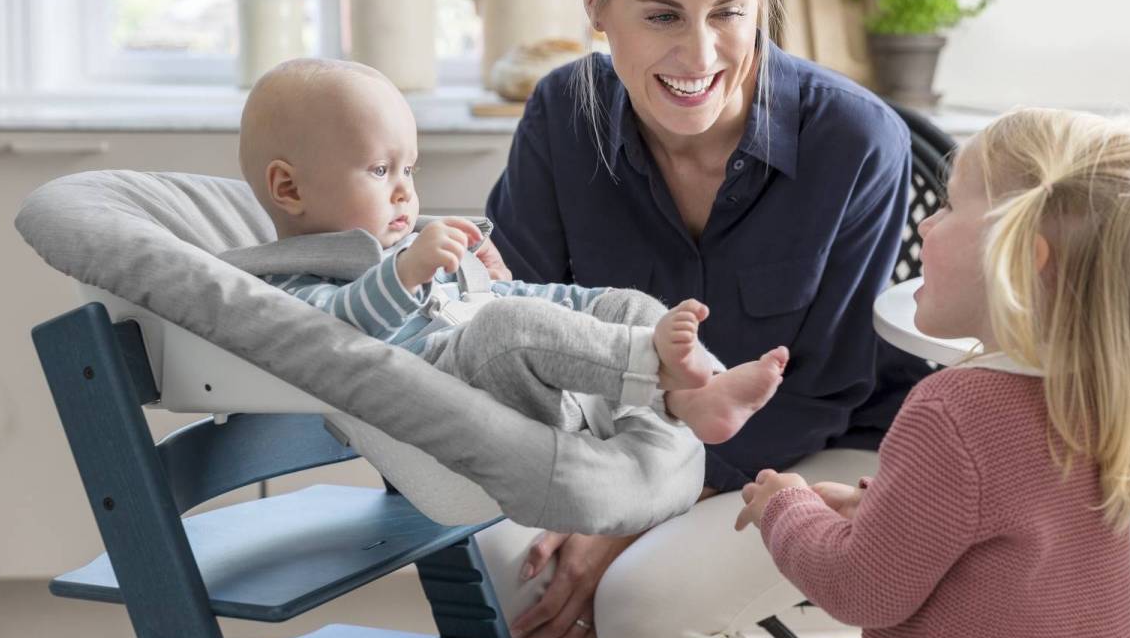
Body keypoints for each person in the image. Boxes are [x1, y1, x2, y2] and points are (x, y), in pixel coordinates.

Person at [481, 0, 923, 638]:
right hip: (618, 445)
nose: (699, 54)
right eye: (662, 15)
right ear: (596, 4)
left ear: (762, 2)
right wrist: (603, 488)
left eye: (728, 12)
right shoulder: (559, 117)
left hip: (818, 447)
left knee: (644, 605)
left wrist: (633, 513)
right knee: (513, 571)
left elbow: (822, 390)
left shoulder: (856, 140)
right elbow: (518, 333)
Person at [236, 59, 791, 526]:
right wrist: (404, 274)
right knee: (508, 325)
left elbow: (514, 296)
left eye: (410, 169)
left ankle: (696, 392)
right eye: (381, 170)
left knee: (625, 305)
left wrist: (580, 304)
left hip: (531, 369)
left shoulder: (411, 247)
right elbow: (332, 334)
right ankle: (660, 374)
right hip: (455, 385)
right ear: (289, 188)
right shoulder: (289, 282)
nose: (405, 191)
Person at [737, 108, 1130, 638]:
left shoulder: (953, 412)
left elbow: (861, 589)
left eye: (948, 206)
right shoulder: (1109, 391)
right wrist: (883, 513)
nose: (926, 224)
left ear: (1018, 258)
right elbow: (1006, 525)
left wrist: (785, 507)